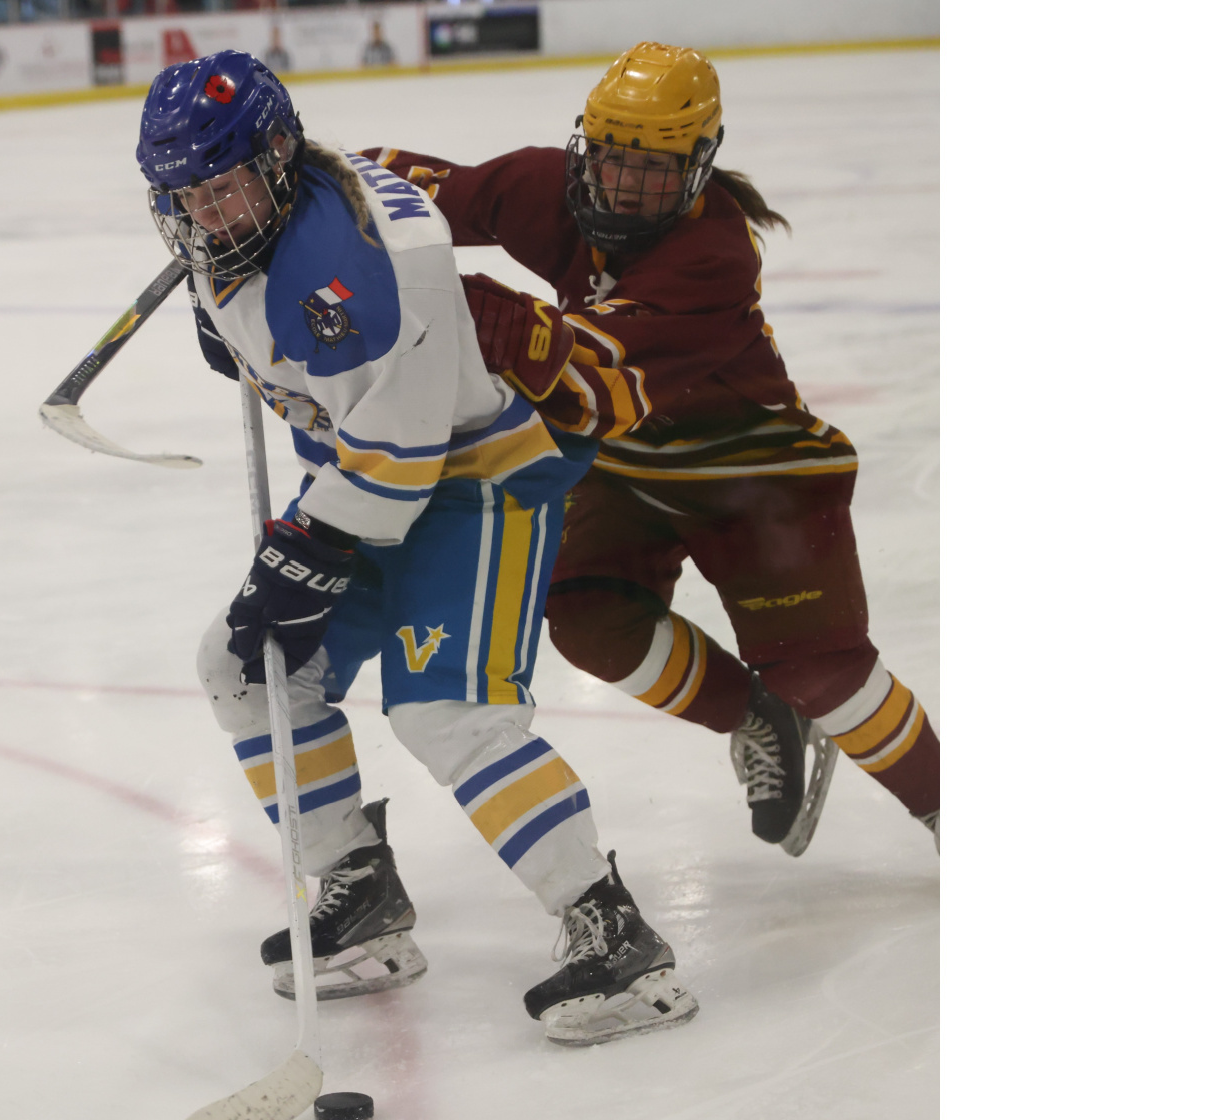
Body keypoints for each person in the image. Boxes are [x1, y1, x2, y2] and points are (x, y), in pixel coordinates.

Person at [137, 50, 699, 1044]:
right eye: (185, 196)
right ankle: (358, 887)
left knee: (446, 711)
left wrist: (304, 550)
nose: (204, 216)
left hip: (476, 476)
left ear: (275, 158)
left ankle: (616, 937)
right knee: (247, 665)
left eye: (221, 189)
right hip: (373, 469)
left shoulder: (351, 272)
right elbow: (338, 404)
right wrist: (240, 333)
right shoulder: (263, 210)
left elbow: (401, 456)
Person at [363, 41, 940, 854]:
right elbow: (407, 194)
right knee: (589, 620)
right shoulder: (545, 187)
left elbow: (590, 377)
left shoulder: (713, 253)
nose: (627, 186)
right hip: (630, 466)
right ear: (585, 146)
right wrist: (296, 190)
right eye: (612, 159)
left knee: (821, 672)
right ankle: (756, 715)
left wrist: (472, 312)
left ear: (700, 165)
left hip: (758, 473)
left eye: (656, 169)